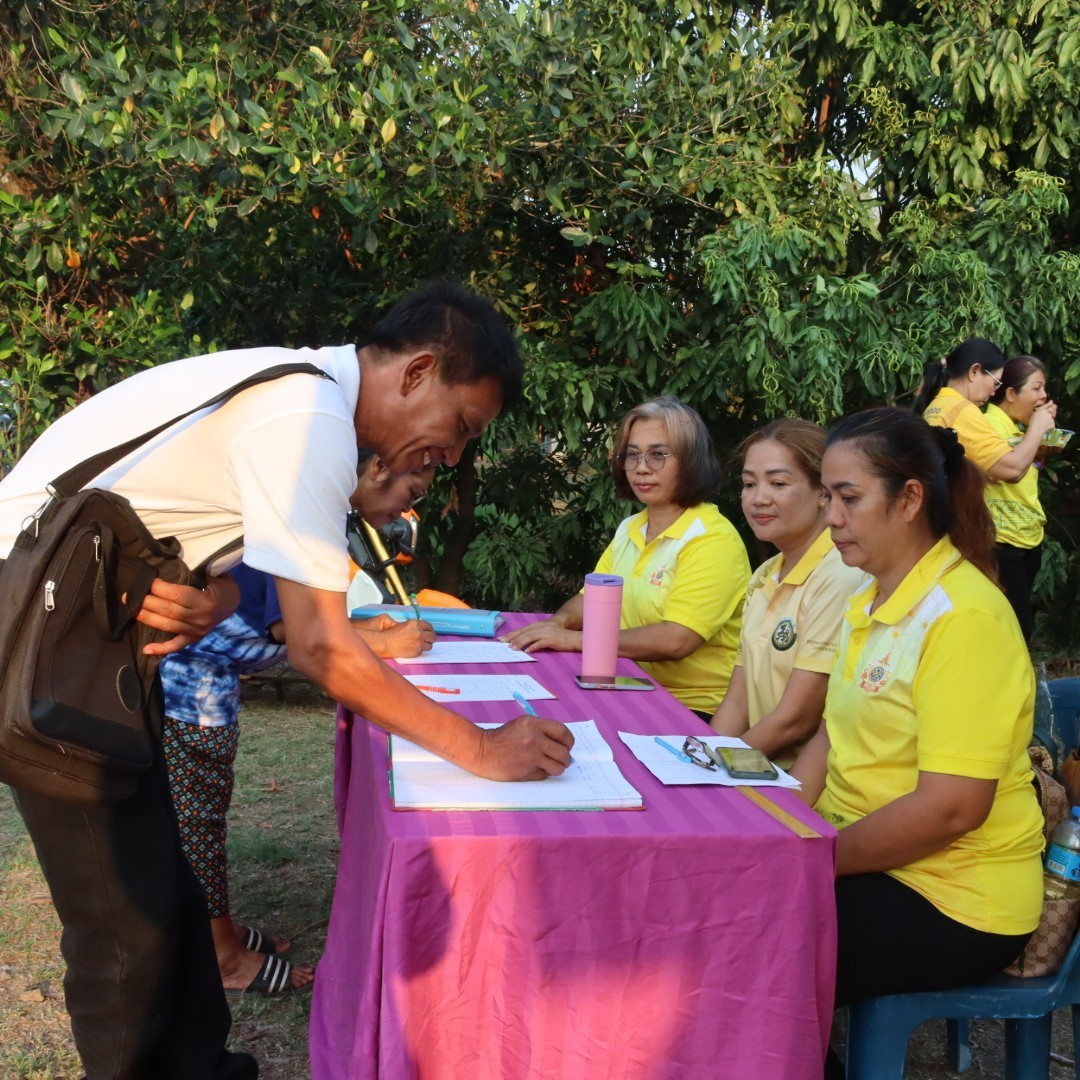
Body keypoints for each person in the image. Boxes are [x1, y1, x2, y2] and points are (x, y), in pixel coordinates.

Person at [0, 281, 574, 1080]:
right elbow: (323, 649)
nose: (450, 456)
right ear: (418, 371)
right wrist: (481, 749)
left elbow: (233, 583)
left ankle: (209, 1065)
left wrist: (212, 597)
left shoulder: (300, 403)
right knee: (119, 924)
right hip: (45, 633)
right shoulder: (306, 418)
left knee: (168, 892)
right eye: (460, 428)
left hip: (95, 637)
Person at [789, 407, 1043, 1078]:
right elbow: (830, 736)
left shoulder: (963, 619)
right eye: (826, 499)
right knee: (735, 910)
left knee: (756, 940)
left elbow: (953, 808)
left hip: (956, 896)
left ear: (908, 499)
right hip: (874, 862)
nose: (831, 518)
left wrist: (817, 858)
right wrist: (782, 821)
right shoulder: (869, 602)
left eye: (847, 498)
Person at [160, 457, 436, 997]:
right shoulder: (301, 518)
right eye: (412, 488)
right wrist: (380, 643)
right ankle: (222, 957)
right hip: (185, 690)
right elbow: (294, 631)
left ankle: (217, 930)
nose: (407, 508)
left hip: (203, 687)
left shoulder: (319, 514)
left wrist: (360, 625)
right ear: (375, 469)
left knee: (200, 817)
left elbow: (304, 618)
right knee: (197, 825)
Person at [503, 396, 749, 719]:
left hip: (691, 708)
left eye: (658, 455)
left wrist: (574, 640)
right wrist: (556, 624)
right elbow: (591, 598)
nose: (641, 467)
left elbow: (677, 640)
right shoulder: (631, 528)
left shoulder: (712, 539)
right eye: (632, 455)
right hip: (624, 686)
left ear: (691, 460)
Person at [708, 419, 866, 768]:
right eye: (749, 484)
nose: (759, 498)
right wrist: (701, 760)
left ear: (823, 493)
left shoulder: (840, 574)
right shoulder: (766, 574)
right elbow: (739, 700)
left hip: (807, 780)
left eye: (778, 483)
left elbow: (796, 721)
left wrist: (714, 767)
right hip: (757, 764)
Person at [915, 335, 1056, 483]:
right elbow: (1013, 469)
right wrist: (1038, 426)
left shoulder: (935, 406)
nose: (994, 392)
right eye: (995, 382)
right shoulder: (963, 411)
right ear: (974, 371)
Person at [984, 355, 1056, 641]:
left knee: (1016, 623)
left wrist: (1039, 454)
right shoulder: (988, 424)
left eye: (1044, 389)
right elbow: (1001, 471)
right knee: (1017, 629)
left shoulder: (1016, 429)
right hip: (1002, 541)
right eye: (1036, 388)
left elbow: (1021, 471)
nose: (1044, 396)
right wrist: (1037, 430)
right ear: (1011, 393)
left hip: (1025, 538)